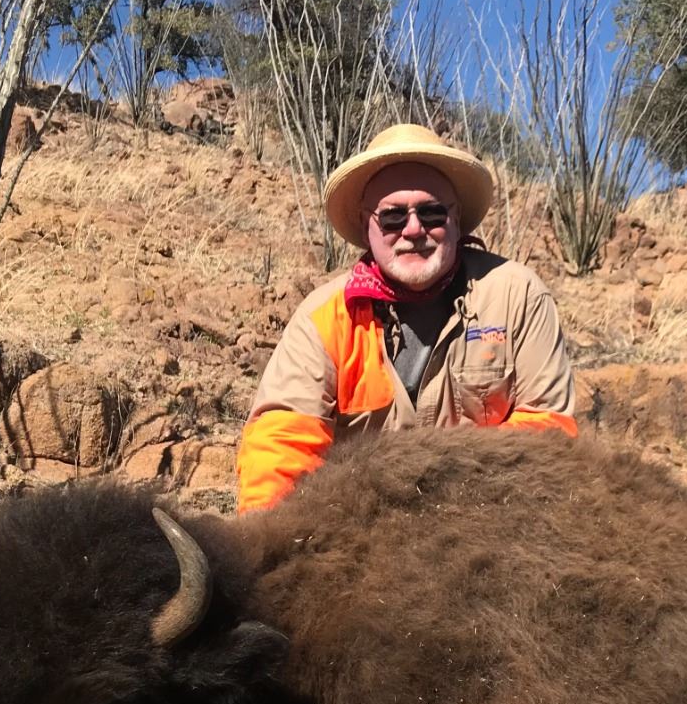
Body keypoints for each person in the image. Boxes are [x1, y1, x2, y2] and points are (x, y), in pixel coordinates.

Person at [236, 124, 578, 511]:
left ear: (456, 219)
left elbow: (547, 438)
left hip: (488, 515)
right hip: (361, 522)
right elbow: (280, 446)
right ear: (366, 225)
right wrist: (270, 537)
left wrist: (452, 497)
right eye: (393, 217)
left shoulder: (518, 296)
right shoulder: (324, 317)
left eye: (432, 213)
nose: (413, 229)